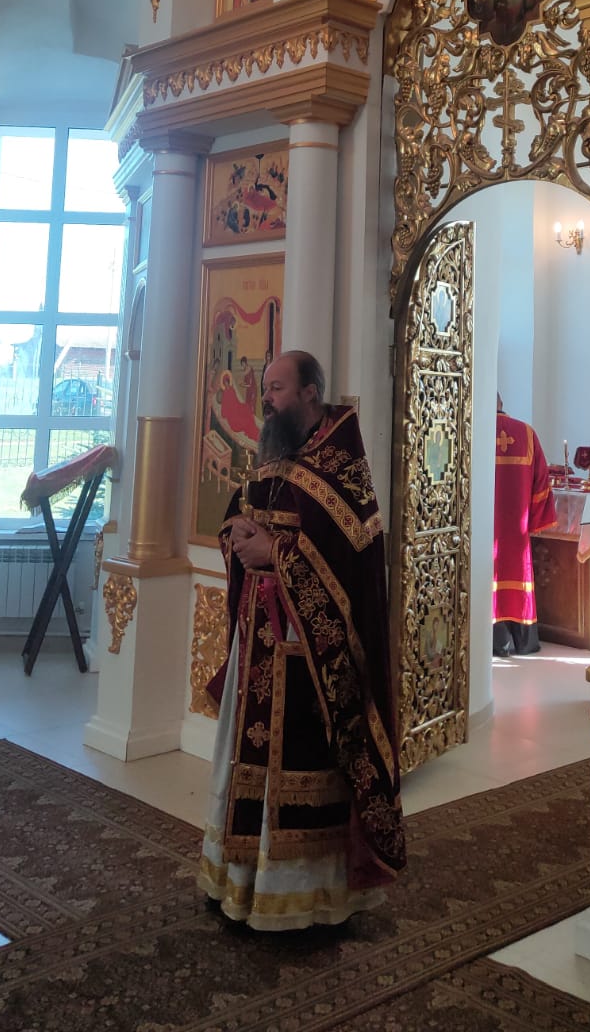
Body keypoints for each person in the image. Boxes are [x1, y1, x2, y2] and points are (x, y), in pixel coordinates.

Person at [198, 349, 406, 929]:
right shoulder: (276, 454)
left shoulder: (342, 465)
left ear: (310, 392)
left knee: (302, 760)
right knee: (246, 760)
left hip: (311, 653)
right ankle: (239, 880)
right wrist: (238, 533)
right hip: (258, 642)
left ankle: (304, 897)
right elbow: (240, 511)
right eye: (266, 389)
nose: (266, 400)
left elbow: (354, 565)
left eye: (277, 389)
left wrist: (279, 553)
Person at [493, 392, 556, 656]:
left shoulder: (474, 432)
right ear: (502, 403)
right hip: (515, 527)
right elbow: (542, 481)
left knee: (488, 575)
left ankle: (496, 641)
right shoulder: (526, 433)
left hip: (485, 526)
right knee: (518, 571)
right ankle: (522, 641)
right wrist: (534, 520)